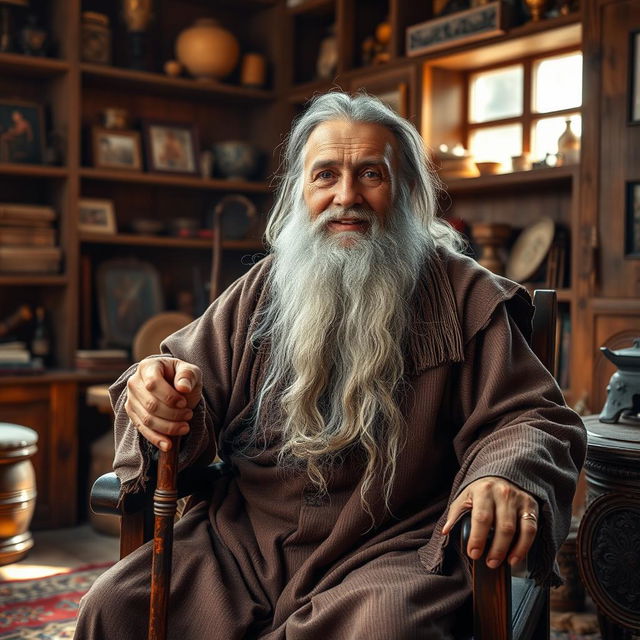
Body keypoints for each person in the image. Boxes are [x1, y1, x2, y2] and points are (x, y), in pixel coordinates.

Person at [76, 92, 586, 639]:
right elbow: (178, 378)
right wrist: (159, 396)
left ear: (407, 190)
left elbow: (531, 417)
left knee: (381, 629)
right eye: (325, 175)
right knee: (115, 607)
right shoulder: (261, 290)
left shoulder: (465, 295)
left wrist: (501, 475)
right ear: (301, 191)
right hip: (243, 541)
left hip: (393, 547)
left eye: (371, 174)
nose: (347, 196)